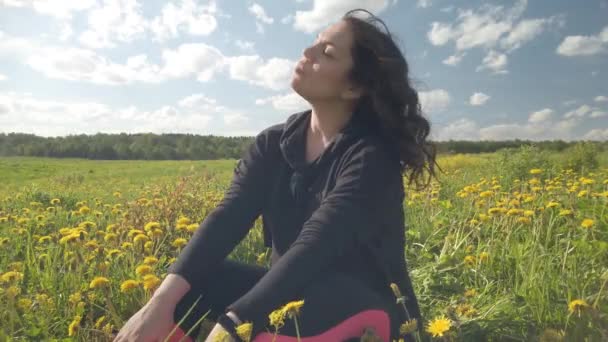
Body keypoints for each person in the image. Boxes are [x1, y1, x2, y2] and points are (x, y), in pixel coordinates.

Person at [113, 8, 437, 342]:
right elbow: (228, 218)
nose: (307, 52)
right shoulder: (273, 143)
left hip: (370, 310)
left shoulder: (372, 158)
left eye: (326, 53)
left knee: (262, 322)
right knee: (189, 288)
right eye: (314, 43)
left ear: (353, 87)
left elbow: (316, 244)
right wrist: (159, 302)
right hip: (296, 293)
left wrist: (234, 324)